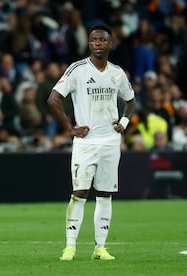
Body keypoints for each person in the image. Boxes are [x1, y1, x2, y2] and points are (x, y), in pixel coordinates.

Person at [48, 23, 135, 261]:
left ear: (110, 43)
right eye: (94, 40)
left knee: (105, 194)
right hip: (86, 143)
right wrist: (70, 127)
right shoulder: (77, 70)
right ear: (89, 44)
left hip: (110, 141)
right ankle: (70, 247)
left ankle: (100, 248)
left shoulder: (117, 73)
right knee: (80, 192)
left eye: (102, 40)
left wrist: (124, 123)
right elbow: (53, 99)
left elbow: (130, 100)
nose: (98, 43)